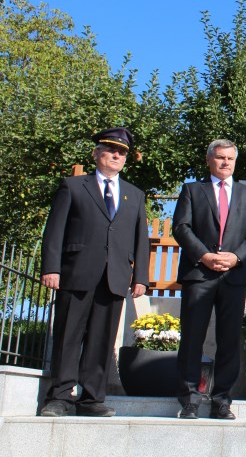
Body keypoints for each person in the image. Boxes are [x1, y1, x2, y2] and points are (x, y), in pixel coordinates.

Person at [39, 127, 149, 417]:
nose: (116, 155)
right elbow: (54, 231)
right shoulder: (73, 186)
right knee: (68, 337)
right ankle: (59, 397)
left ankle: (91, 399)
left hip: (114, 277)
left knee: (102, 341)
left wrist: (141, 278)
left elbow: (141, 239)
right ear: (96, 153)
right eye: (111, 149)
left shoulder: (135, 196)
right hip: (77, 272)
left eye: (122, 152)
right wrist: (51, 267)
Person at [172, 139, 246, 420]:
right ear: (209, 160)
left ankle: (222, 400)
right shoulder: (192, 190)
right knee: (192, 338)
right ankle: (189, 400)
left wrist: (236, 258)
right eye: (220, 158)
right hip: (199, 274)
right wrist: (204, 255)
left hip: (234, 276)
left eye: (230, 159)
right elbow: (181, 227)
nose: (225, 163)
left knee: (229, 340)